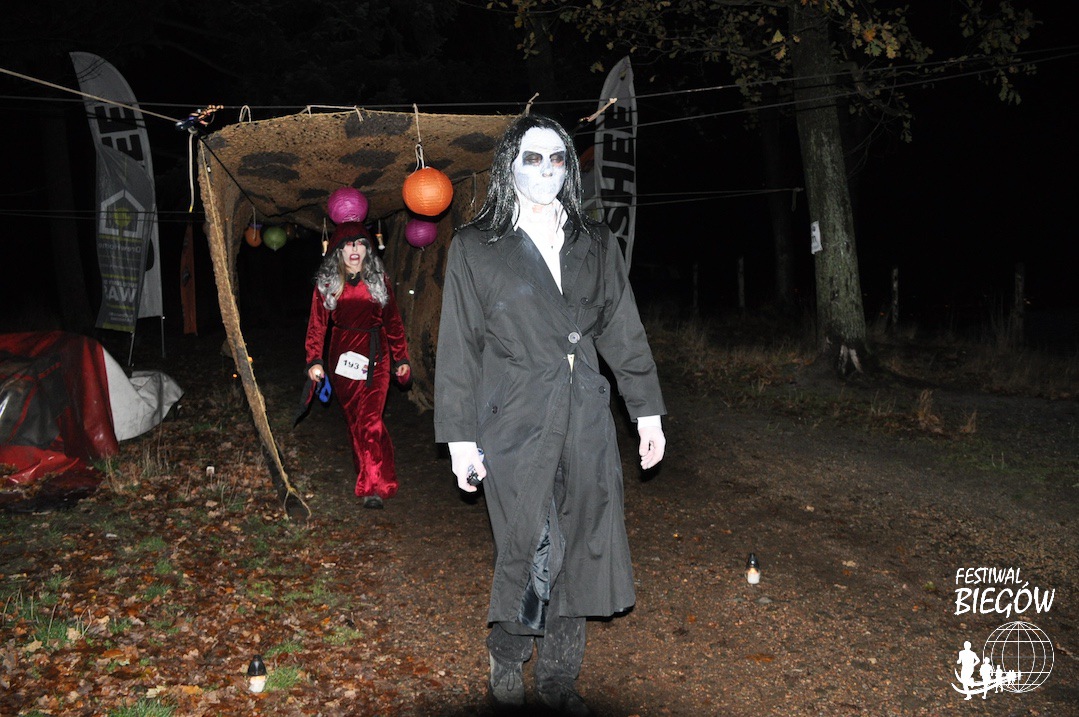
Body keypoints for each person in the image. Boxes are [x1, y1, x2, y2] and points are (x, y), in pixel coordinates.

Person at [433, 114, 666, 714]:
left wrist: (647, 415)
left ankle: (559, 680)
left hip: (586, 416)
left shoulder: (596, 242)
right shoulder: (476, 247)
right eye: (532, 158)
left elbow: (622, 330)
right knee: (539, 545)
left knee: (582, 544)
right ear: (509, 166)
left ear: (569, 169)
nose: (545, 170)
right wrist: (459, 440)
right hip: (512, 420)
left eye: (557, 158)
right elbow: (459, 348)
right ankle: (508, 652)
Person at [304, 221, 411, 509]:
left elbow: (393, 321)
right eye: (348, 244)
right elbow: (317, 325)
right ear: (338, 250)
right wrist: (314, 359)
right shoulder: (328, 283)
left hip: (377, 355)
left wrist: (401, 357)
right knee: (355, 422)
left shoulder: (379, 280)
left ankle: (371, 486)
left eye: (360, 243)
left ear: (368, 249)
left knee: (370, 420)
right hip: (343, 359)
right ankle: (380, 474)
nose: (355, 249)